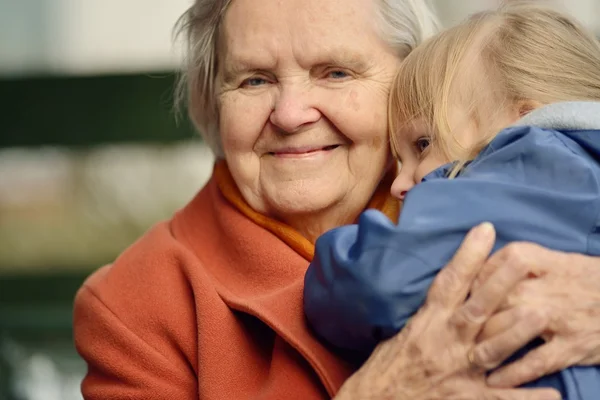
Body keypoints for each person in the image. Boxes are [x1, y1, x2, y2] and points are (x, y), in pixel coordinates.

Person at [72, 0, 599, 399]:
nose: (290, 113)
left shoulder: (502, 183)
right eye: (254, 80)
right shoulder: (134, 308)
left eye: (336, 72)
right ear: (213, 104)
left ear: (414, 79)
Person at [304, 3, 600, 399]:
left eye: (423, 144)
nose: (399, 184)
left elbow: (379, 280)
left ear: (523, 119)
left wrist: (335, 256)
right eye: (398, 159)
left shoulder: (530, 160)